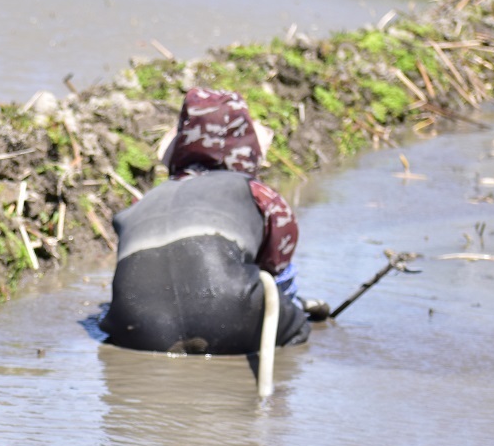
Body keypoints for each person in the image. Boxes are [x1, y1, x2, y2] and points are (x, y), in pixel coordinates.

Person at [100, 87, 330, 355]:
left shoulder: (143, 202)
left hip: (135, 325)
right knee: (296, 331)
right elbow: (276, 269)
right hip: (228, 312)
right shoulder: (257, 194)